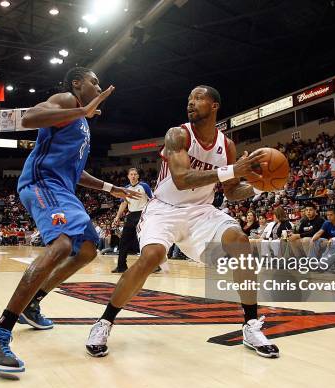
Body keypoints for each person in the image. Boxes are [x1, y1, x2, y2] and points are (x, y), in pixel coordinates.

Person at [85, 85, 279, 359]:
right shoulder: (178, 134)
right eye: (188, 99)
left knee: (240, 242)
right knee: (151, 256)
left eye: (198, 98)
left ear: (214, 106)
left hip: (201, 211)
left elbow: (233, 191)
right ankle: (104, 321)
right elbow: (182, 178)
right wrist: (233, 170)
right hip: (165, 209)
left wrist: (261, 187)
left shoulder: (228, 146)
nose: (190, 103)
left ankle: (250, 324)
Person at [0, 67, 141, 374]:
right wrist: (82, 108)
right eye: (94, 81)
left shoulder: (82, 124)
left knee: (89, 248)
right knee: (62, 245)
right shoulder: (66, 100)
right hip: (41, 184)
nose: (98, 85)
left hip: (62, 189)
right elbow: (29, 118)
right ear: (77, 83)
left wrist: (111, 188)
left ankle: (33, 303)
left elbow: (76, 174)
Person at [112, 168, 153, 273]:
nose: (133, 176)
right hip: (131, 215)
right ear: (128, 176)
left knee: (145, 241)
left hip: (143, 214)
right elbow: (124, 203)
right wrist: (117, 217)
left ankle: (154, 265)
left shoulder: (144, 186)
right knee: (123, 241)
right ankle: (121, 266)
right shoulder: (126, 188)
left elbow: (152, 200)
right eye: (131, 174)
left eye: (135, 174)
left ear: (138, 176)